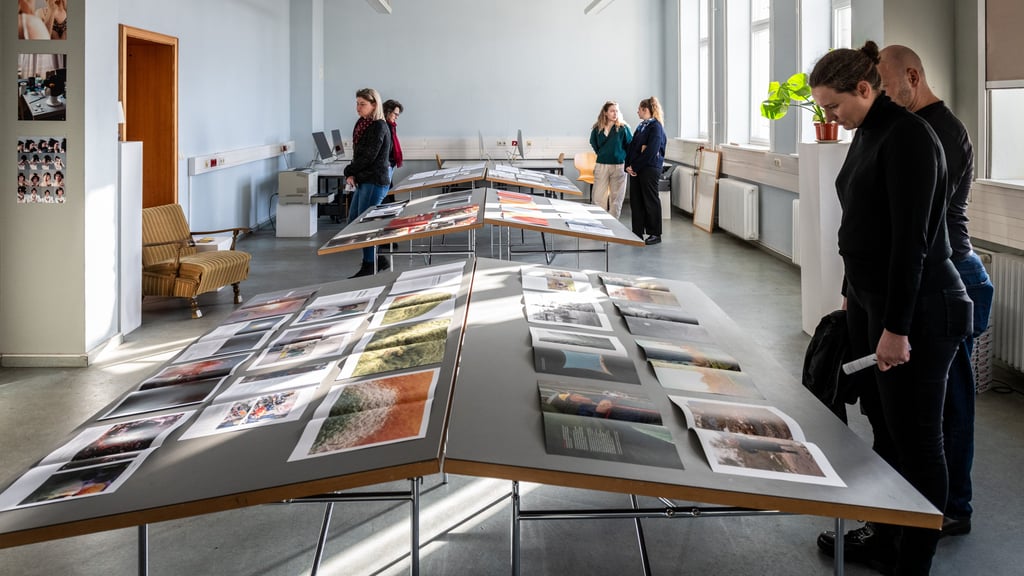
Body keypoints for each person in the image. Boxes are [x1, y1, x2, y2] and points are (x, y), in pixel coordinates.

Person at [809, 41, 973, 576]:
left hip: (921, 311)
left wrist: (895, 329)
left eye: (833, 106)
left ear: (864, 88)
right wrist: (850, 294)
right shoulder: (869, 132)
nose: (828, 117)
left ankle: (915, 560)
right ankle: (886, 537)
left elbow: (912, 246)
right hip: (872, 302)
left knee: (918, 440)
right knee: (884, 430)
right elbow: (861, 223)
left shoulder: (909, 138)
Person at [879, 45, 993, 537]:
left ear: (912, 75)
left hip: (954, 276)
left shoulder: (938, 131)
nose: (883, 93)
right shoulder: (914, 127)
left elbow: (918, 228)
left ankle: (953, 509)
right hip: (940, 273)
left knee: (950, 404)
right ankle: (932, 500)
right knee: (931, 406)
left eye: (885, 83)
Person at [343, 87, 392, 278]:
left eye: (362, 104)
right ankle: (379, 260)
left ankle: (369, 265)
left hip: (374, 181)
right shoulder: (363, 123)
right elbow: (359, 154)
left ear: (374, 105)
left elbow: (369, 157)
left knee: (364, 225)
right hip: (364, 179)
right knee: (354, 220)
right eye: (357, 103)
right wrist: (353, 173)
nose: (358, 107)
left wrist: (349, 171)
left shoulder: (378, 126)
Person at [624, 96, 666, 245]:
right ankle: (637, 232)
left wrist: (635, 165)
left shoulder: (656, 127)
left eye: (639, 109)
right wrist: (628, 166)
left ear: (646, 110)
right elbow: (633, 147)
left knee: (650, 200)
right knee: (636, 201)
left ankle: (655, 233)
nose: (637, 112)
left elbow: (651, 151)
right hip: (636, 169)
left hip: (649, 169)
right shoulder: (642, 126)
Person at [589, 101, 633, 218]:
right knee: (598, 197)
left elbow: (630, 146)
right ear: (605, 113)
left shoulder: (623, 128)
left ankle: (614, 224)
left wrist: (625, 159)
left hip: (619, 166)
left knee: (616, 198)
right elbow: (593, 143)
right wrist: (602, 154)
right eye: (612, 111)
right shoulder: (597, 128)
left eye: (617, 111)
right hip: (602, 165)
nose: (615, 113)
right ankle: (600, 222)